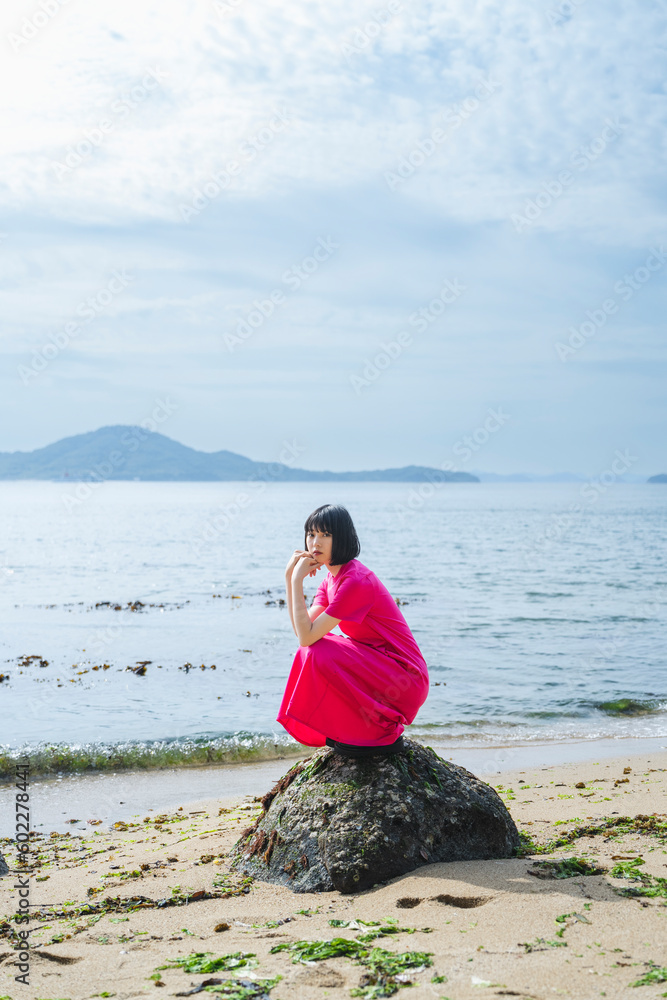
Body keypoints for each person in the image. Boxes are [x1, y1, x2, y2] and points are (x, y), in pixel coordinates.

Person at [277, 503, 429, 758]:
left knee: (319, 651)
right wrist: (290, 578)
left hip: (406, 677)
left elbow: (307, 637)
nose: (316, 542)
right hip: (381, 666)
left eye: (326, 534)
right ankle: (358, 730)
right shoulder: (330, 581)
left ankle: (375, 732)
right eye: (311, 534)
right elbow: (302, 632)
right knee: (309, 651)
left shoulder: (355, 581)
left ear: (342, 538)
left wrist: (296, 580)